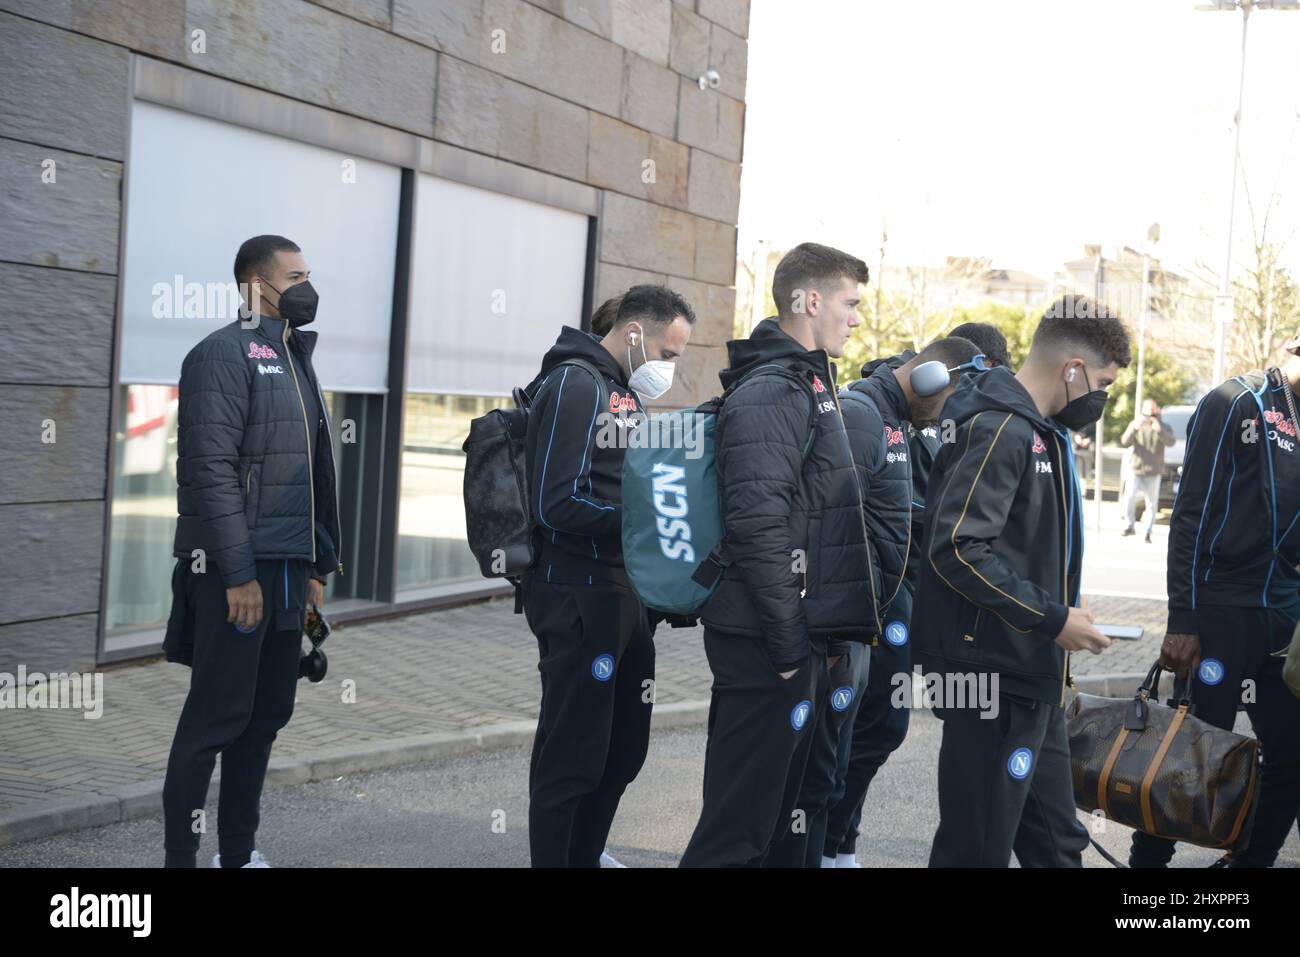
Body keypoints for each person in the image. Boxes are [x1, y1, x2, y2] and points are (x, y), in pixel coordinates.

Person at [680, 242, 878, 867]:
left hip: (793, 637)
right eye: (849, 303)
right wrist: (791, 645)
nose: (855, 318)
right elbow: (758, 523)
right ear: (810, 300)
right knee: (737, 829)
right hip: (766, 641)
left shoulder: (806, 382)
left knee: (773, 826)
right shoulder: (774, 389)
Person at [913, 294, 1127, 867]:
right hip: (992, 678)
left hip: (1030, 674)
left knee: (1058, 846)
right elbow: (956, 548)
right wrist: (1053, 618)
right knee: (976, 847)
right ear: (1073, 369)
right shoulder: (1001, 427)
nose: (1102, 397)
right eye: (1102, 381)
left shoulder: (1039, 429)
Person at [162, 235, 342, 868]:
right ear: (255, 284)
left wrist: (319, 564)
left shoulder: (296, 355)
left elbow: (315, 471)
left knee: (266, 715)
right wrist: (238, 575)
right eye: (295, 275)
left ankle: (237, 855)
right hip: (236, 571)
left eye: (307, 274)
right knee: (215, 719)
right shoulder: (221, 354)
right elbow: (209, 471)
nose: (307, 286)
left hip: (290, 570)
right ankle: (180, 860)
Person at [522, 284, 694, 867]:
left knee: (621, 752)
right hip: (577, 593)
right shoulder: (575, 382)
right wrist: (641, 525)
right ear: (634, 331)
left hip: (623, 596)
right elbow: (555, 502)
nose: (670, 368)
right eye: (669, 354)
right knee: (573, 754)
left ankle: (586, 854)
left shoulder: (620, 392)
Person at [1132, 331, 1300, 869]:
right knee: (1191, 754)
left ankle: (1248, 863)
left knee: (1293, 753)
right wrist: (1182, 616)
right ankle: (1148, 871)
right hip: (1219, 613)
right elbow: (1191, 513)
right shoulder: (1234, 401)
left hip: (1285, 619)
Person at [816, 336, 984, 869]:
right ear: (936, 374)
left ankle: (838, 843)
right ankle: (827, 844)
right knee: (862, 730)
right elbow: (858, 508)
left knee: (872, 728)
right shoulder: (869, 412)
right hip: (872, 600)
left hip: (902, 593)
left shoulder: (917, 418)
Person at [1120, 399, 1174, 542]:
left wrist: (1160, 430)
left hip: (1154, 471)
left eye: (1153, 409)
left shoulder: (1164, 426)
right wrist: (1134, 429)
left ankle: (1148, 532)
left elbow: (1171, 442)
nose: (1150, 413)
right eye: (1147, 409)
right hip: (1136, 468)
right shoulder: (1136, 424)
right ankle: (1129, 525)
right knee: (1129, 497)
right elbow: (1124, 441)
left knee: (1151, 503)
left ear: (1158, 410)